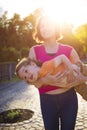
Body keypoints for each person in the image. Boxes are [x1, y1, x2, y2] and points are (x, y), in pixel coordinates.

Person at [20, 15, 86, 130]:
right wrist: (46, 80)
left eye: (49, 24)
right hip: (47, 101)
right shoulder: (34, 50)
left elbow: (81, 73)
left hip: (69, 100)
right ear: (39, 30)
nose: (45, 28)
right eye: (42, 26)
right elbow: (32, 80)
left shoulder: (69, 49)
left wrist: (70, 82)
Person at [15, 56, 87, 88]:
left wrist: (70, 69)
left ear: (33, 64)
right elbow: (37, 85)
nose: (27, 76)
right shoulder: (43, 79)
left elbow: (62, 57)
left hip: (78, 69)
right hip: (76, 81)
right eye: (25, 77)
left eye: (26, 71)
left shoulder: (46, 66)